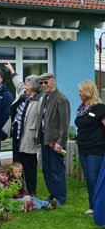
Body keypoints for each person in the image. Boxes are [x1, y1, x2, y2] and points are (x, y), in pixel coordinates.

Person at [2, 63, 42, 196]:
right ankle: (18, 190)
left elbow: (42, 122)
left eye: (27, 85)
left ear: (33, 87)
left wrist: (40, 138)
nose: (25, 86)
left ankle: (32, 191)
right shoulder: (23, 93)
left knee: (29, 166)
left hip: (29, 138)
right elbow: (18, 83)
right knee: (17, 165)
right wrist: (12, 70)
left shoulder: (40, 101)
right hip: (17, 137)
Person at [36, 72, 70, 206]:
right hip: (45, 138)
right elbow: (41, 120)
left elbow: (64, 123)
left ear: (53, 81)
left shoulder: (61, 99)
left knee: (57, 170)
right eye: (42, 83)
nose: (44, 85)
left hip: (55, 141)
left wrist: (60, 142)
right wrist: (38, 138)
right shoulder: (45, 98)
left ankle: (61, 198)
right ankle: (53, 195)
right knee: (47, 169)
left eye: (46, 82)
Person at [75, 80, 105, 215]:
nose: (79, 93)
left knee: (94, 178)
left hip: (96, 148)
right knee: (88, 178)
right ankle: (93, 206)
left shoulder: (100, 108)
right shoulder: (82, 108)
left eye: (81, 91)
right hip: (83, 147)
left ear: (88, 91)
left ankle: (98, 207)